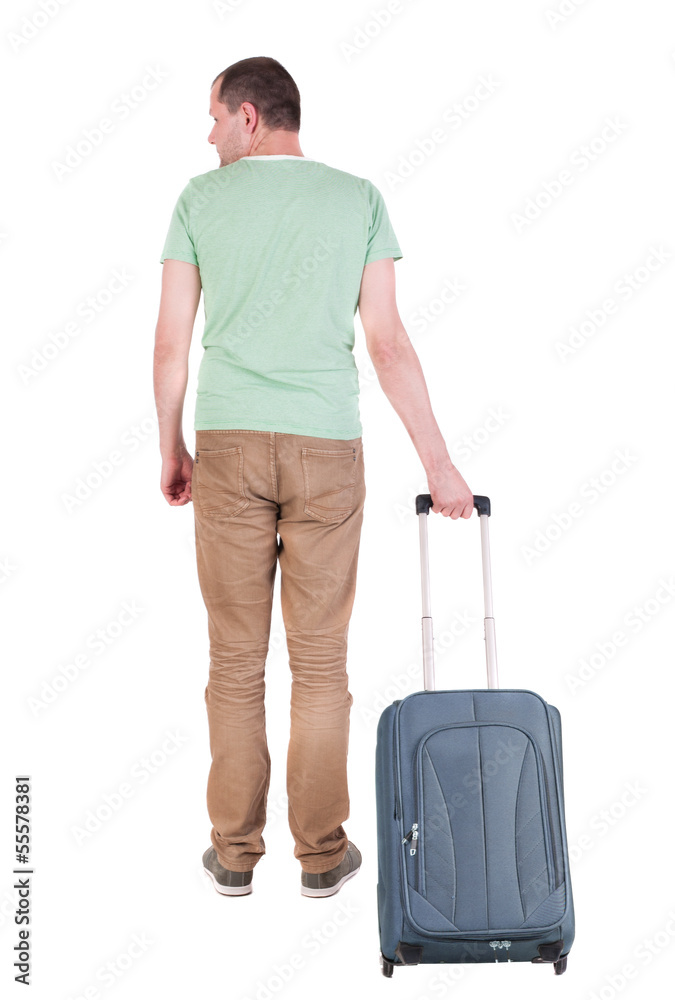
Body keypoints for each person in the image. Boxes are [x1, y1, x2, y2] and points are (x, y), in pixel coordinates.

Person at [153, 56, 474, 899]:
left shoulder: (198, 201)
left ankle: (233, 855)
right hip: (327, 446)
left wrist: (171, 448)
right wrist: (439, 467)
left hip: (224, 445)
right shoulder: (358, 198)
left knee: (234, 663)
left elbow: (168, 347)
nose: (209, 133)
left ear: (250, 117)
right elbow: (389, 343)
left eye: (215, 115)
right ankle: (323, 856)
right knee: (321, 664)